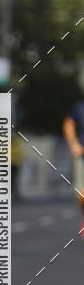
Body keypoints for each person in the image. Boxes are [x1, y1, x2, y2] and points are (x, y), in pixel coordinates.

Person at [62, 100, 84, 235]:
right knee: (81, 194)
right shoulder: (81, 107)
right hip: (82, 155)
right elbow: (69, 123)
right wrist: (73, 144)